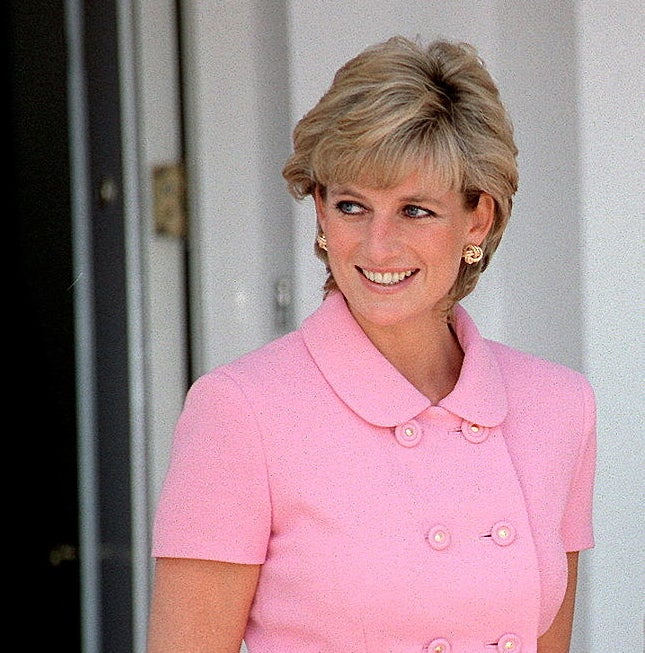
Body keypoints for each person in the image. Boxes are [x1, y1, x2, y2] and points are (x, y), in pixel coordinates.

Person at [146, 36, 596, 653]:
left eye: (416, 210)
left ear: (479, 219)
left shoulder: (558, 405)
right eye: (353, 205)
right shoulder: (239, 411)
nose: (377, 246)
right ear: (322, 215)